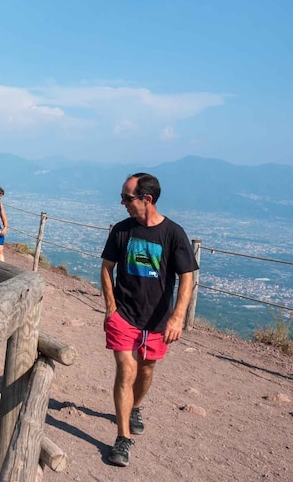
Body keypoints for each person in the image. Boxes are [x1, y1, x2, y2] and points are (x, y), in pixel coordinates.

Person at [101, 173, 198, 467]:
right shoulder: (121, 230)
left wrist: (177, 317)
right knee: (126, 370)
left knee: (146, 370)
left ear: (147, 199)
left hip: (157, 321)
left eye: (127, 198)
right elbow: (106, 268)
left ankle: (135, 408)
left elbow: (187, 277)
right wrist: (110, 308)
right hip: (124, 316)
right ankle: (122, 438)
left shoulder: (173, 233)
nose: (122, 203)